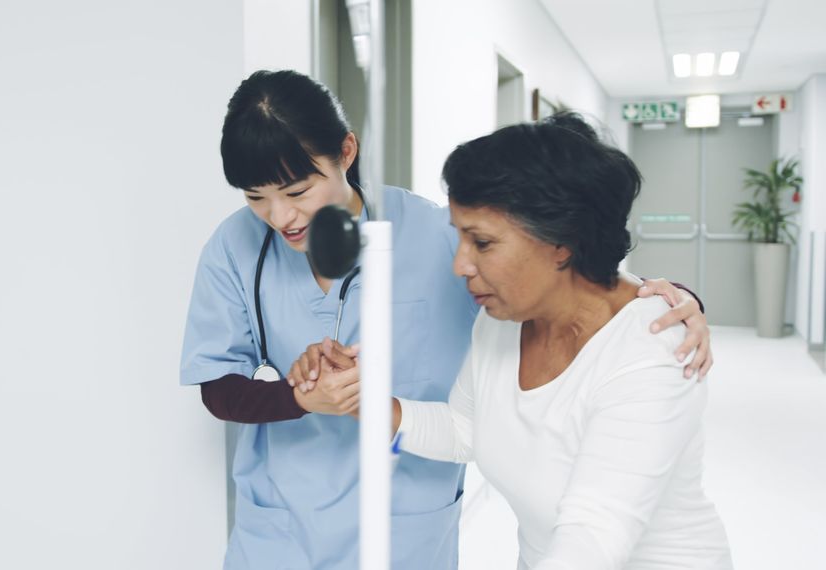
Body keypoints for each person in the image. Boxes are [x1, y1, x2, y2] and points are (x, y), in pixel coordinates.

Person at [180, 70, 712, 569]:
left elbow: (578, 283)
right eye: (256, 198)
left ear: (346, 151)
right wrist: (309, 396)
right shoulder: (236, 248)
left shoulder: (436, 235)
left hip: (407, 517)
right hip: (284, 524)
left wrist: (668, 297)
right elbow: (216, 382)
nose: (280, 217)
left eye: (297, 192)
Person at [341, 113, 731, 568]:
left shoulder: (655, 349)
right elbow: (466, 429)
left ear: (561, 243)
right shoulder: (504, 318)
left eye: (482, 243)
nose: (460, 265)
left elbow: (593, 532)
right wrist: (358, 399)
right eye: (460, 239)